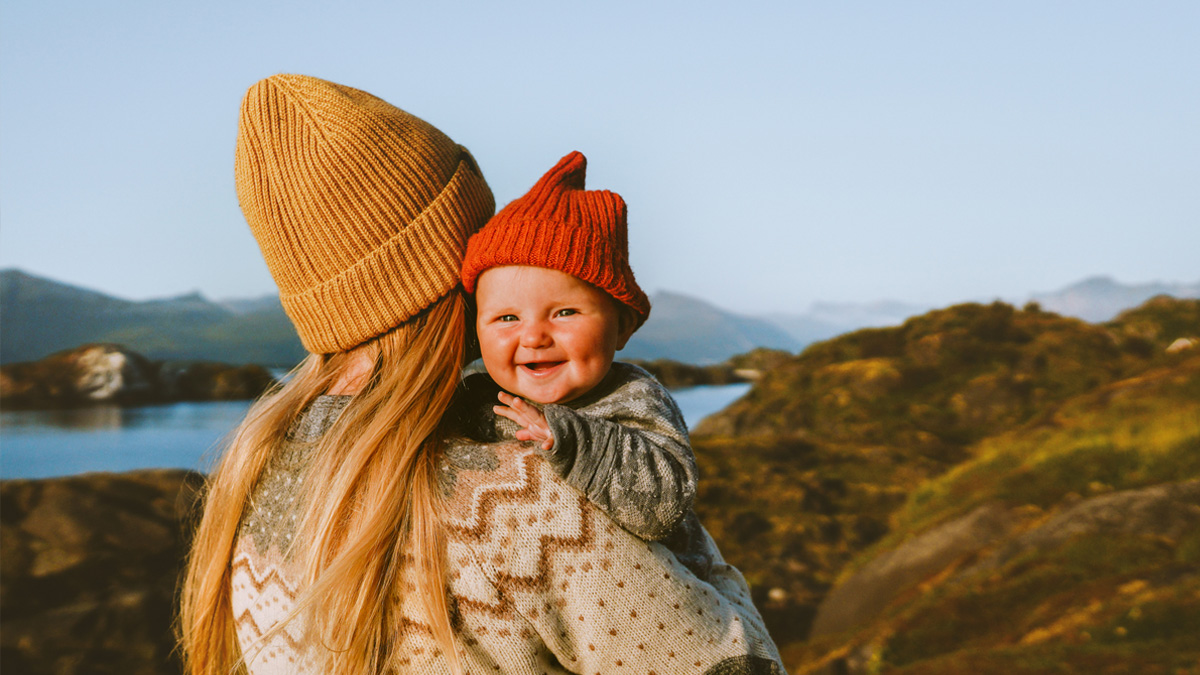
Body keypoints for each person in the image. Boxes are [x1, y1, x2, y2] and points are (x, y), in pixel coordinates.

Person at [179, 73, 785, 675]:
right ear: (447, 274)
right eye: (482, 241)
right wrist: (695, 556)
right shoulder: (520, 501)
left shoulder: (254, 475)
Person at [455, 150, 711, 576]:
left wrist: (570, 439)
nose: (534, 336)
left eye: (565, 313)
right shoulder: (473, 392)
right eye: (507, 318)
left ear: (623, 326)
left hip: (646, 599)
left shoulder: (634, 399)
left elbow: (665, 504)